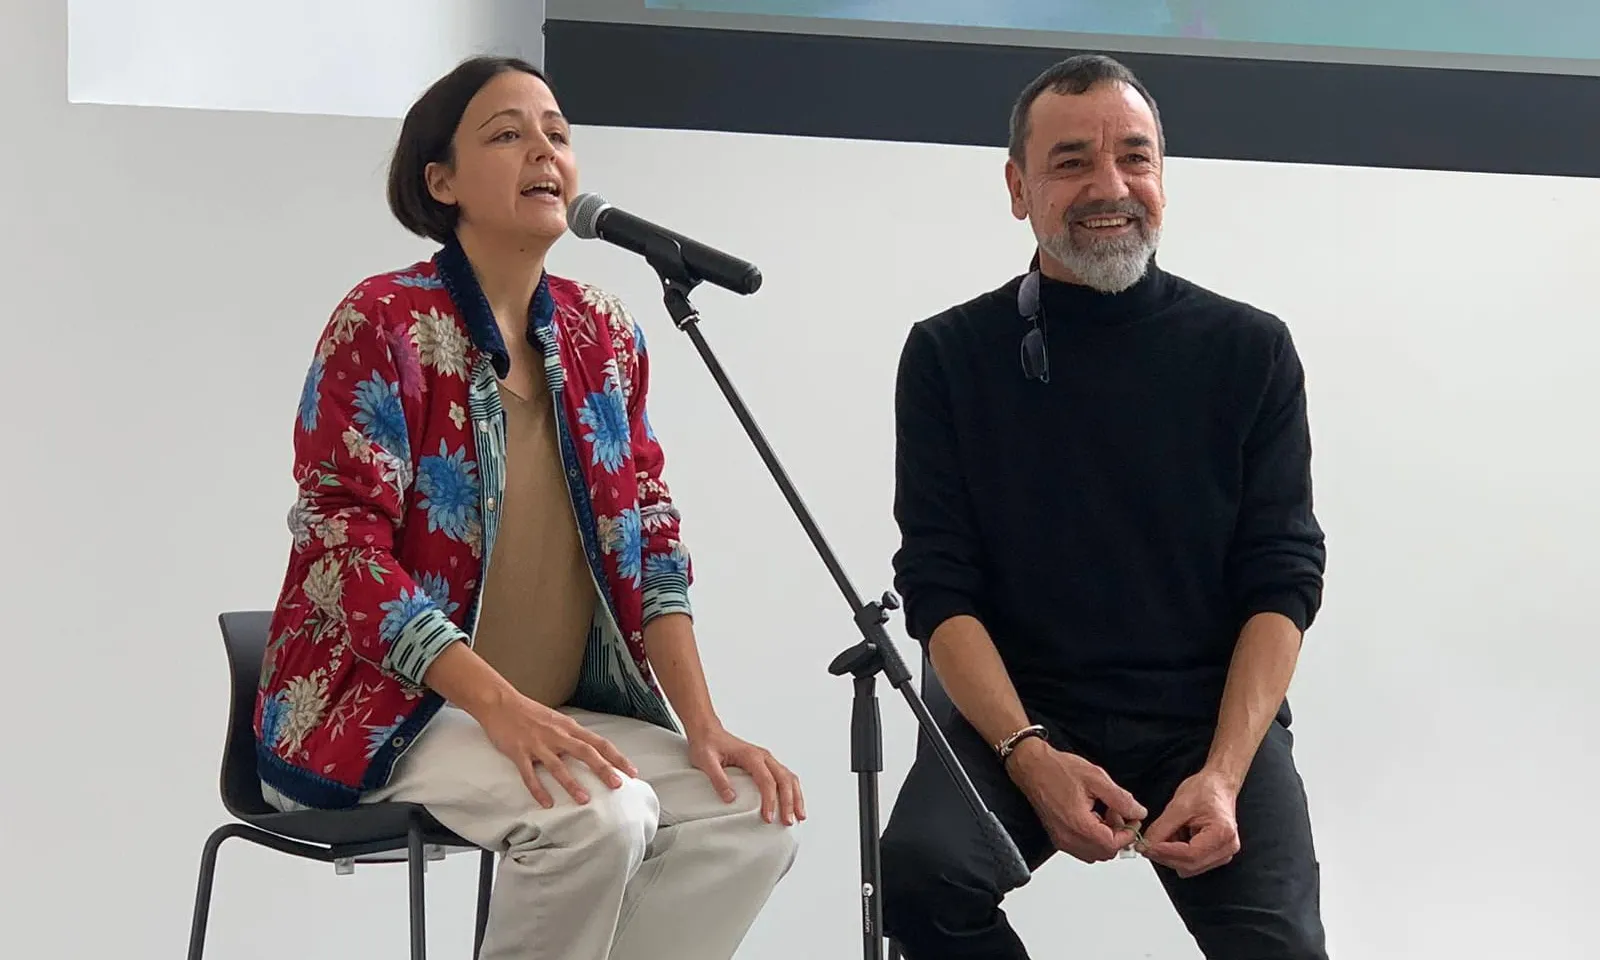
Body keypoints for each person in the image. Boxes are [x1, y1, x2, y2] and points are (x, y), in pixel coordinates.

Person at [253, 55, 801, 960]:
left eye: (556, 131)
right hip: (398, 710)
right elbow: (341, 552)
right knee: (599, 815)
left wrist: (704, 726)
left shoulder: (606, 332)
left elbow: (652, 545)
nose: (543, 150)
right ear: (443, 182)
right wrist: (499, 708)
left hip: (553, 712)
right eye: (506, 134)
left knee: (753, 815)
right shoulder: (383, 320)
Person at [879, 54, 1328, 959]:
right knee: (923, 876)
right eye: (1073, 160)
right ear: (1019, 187)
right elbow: (938, 588)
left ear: (1164, 176)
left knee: (1281, 947)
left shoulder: (1251, 351)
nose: (1110, 186)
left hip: (1206, 720)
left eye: (1136, 157)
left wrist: (1226, 775)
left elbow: (1283, 579)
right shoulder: (948, 355)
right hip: (1026, 711)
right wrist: (1029, 755)